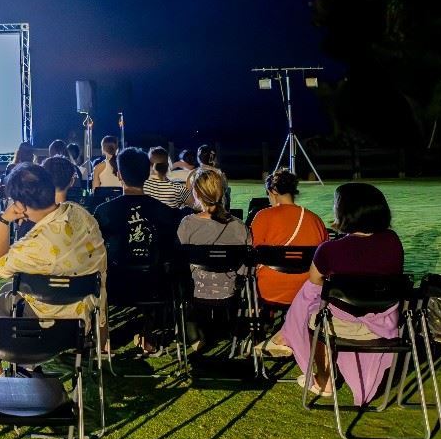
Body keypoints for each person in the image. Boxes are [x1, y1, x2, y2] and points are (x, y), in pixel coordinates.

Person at [0, 163, 106, 373]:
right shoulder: (82, 215)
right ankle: (26, 368)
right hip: (80, 325)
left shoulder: (34, 245)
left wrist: (3, 220)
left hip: (45, 331)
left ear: (20, 203)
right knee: (8, 290)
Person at [279, 182, 404, 403]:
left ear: (344, 212)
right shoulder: (393, 242)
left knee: (311, 304)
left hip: (344, 325)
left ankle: (324, 378)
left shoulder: (329, 250)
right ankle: (286, 335)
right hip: (384, 324)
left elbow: (315, 281)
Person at [94, 147, 179, 354]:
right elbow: (172, 253)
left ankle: (104, 339)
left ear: (120, 175)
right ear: (147, 173)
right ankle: (148, 335)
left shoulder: (104, 212)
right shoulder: (166, 212)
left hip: (114, 286)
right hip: (157, 287)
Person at [250, 168, 328, 307]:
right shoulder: (315, 219)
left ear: (273, 191)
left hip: (269, 289)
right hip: (307, 288)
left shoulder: (262, 216)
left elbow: (253, 251)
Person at [176, 168, 250, 301]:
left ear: (196, 193)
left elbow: (179, 259)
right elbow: (246, 261)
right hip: (229, 290)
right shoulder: (239, 226)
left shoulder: (187, 224)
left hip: (195, 290)